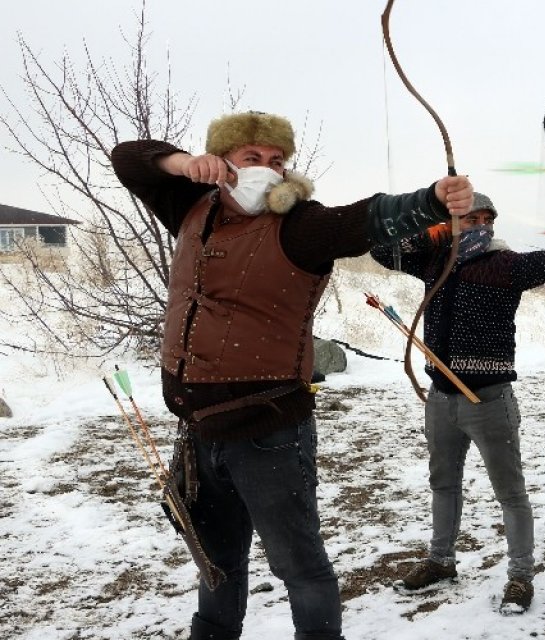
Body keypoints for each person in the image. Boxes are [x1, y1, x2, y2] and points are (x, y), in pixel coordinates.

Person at [110, 110, 474, 640]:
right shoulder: (191, 207)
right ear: (220, 161)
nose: (266, 169)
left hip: (270, 433)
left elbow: (363, 219)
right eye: (250, 158)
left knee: (299, 567)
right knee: (216, 564)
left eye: (276, 160)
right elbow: (129, 159)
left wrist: (431, 201)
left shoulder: (300, 225)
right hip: (198, 431)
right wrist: (183, 163)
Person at [371, 192, 545, 615]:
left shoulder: (501, 264)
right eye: (470, 219)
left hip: (488, 399)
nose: (481, 225)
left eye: (486, 218)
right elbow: (383, 251)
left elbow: (543, 263)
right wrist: (426, 230)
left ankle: (520, 577)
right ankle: (440, 560)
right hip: (441, 397)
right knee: (443, 483)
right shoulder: (436, 261)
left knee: (510, 493)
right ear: (452, 224)